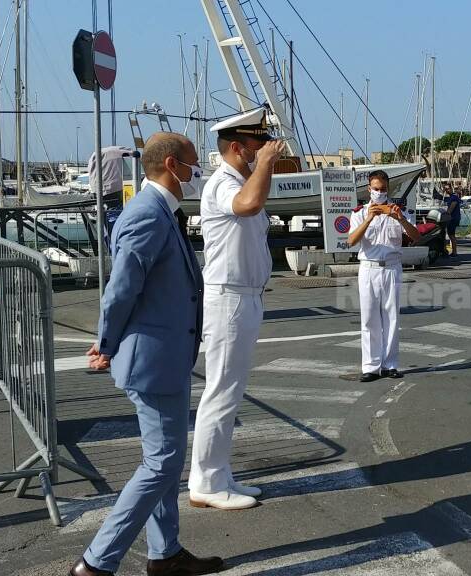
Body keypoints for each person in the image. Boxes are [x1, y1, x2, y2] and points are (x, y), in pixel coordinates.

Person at [72, 133, 223, 576]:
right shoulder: (148, 216)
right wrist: (106, 342)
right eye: (195, 165)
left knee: (165, 460)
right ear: (173, 165)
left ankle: (166, 554)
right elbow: (120, 289)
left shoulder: (160, 212)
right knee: (160, 465)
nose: (199, 174)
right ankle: (97, 564)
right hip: (152, 360)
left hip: (166, 357)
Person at [188, 108, 285, 511]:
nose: (264, 150)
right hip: (228, 297)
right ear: (236, 147)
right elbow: (246, 205)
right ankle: (207, 483)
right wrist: (264, 166)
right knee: (222, 390)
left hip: (244, 295)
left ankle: (218, 472)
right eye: (257, 145)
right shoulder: (222, 184)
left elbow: (254, 202)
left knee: (230, 389)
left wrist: (261, 168)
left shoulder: (239, 180)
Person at [348, 170, 421, 382]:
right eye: (376, 189)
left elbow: (416, 237)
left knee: (391, 317)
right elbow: (351, 241)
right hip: (368, 267)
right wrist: (369, 218)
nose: (380, 193)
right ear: (369, 189)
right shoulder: (360, 212)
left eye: (383, 189)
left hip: (391, 267)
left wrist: (400, 219)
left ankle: (390, 365)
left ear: (388, 189)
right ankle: (370, 366)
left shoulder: (399, 211)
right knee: (369, 318)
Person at [442, 186, 461, 256]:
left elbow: (451, 209)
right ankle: (452, 251)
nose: (446, 190)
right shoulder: (450, 197)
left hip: (453, 219)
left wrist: (446, 213)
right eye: (445, 189)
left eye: (447, 189)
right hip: (452, 218)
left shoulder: (454, 197)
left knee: (451, 235)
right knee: (450, 235)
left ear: (451, 189)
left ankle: (454, 252)